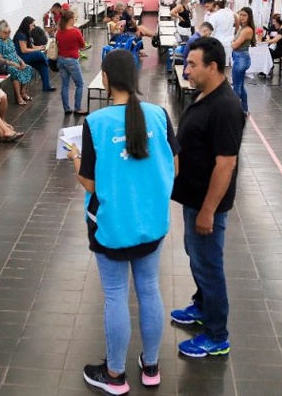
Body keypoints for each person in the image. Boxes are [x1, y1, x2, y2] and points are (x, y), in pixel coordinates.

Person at [66, 49, 179, 393]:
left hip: (111, 226)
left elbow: (89, 183)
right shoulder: (159, 114)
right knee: (149, 290)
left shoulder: (95, 123)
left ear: (105, 78)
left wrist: (75, 159)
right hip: (151, 223)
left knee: (116, 296)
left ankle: (115, 375)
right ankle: (151, 366)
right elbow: (174, 167)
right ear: (135, 78)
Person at [170, 37, 245, 358]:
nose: (186, 69)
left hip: (206, 204)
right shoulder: (205, 96)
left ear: (212, 67)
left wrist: (208, 211)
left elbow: (226, 163)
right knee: (197, 256)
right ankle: (202, 306)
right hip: (194, 198)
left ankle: (216, 336)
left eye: (192, 64)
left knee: (209, 265)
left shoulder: (227, 108)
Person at [0, 20, 34, 105]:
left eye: (9, 32)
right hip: (3, 65)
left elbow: (14, 53)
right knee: (15, 71)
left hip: (15, 61)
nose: (8, 34)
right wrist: (13, 64)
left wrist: (21, 61)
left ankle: (23, 92)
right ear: (0, 31)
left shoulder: (9, 40)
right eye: (5, 32)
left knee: (27, 68)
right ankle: (18, 97)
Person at [56, 9, 88, 115]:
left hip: (60, 59)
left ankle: (66, 108)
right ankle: (77, 108)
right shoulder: (75, 31)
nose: (75, 20)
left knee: (65, 84)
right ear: (70, 19)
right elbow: (83, 45)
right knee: (79, 84)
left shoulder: (59, 31)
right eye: (74, 18)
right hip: (72, 60)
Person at [14, 16, 57, 92]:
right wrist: (37, 50)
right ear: (27, 25)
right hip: (21, 58)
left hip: (27, 55)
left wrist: (39, 47)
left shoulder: (27, 34)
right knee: (39, 55)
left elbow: (31, 46)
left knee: (43, 66)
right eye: (32, 25)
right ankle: (49, 63)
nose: (34, 27)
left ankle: (46, 86)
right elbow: (24, 50)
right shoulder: (21, 35)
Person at [230, 7, 256, 115]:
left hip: (241, 58)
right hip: (239, 57)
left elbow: (235, 45)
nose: (241, 17)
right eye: (240, 15)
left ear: (249, 16)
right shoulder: (242, 28)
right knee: (240, 85)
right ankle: (244, 109)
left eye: (244, 15)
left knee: (236, 86)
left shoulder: (247, 30)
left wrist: (233, 43)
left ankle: (235, 112)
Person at [207, 0, 236, 66]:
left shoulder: (214, 16)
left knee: (217, 64)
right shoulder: (230, 14)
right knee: (227, 64)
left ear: (216, 6)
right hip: (229, 42)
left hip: (218, 42)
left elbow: (210, 30)